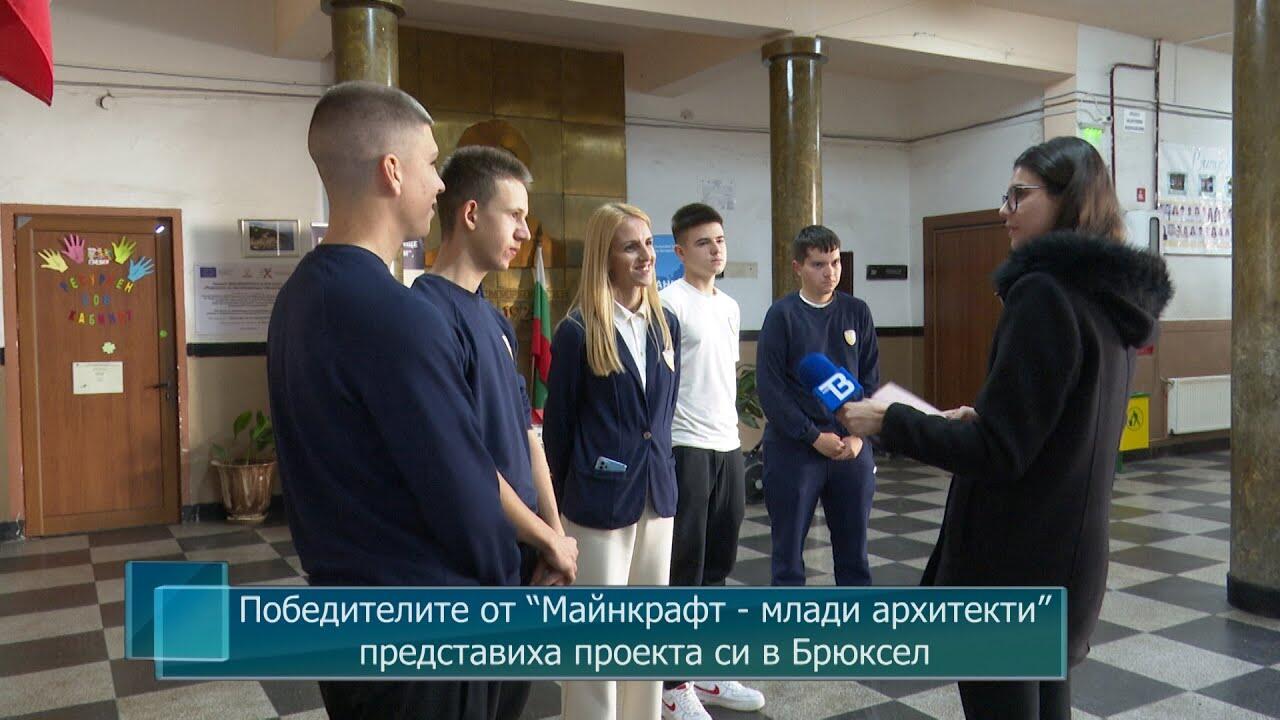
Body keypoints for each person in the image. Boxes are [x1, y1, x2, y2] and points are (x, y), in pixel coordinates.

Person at [837, 136, 1173, 720]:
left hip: (1012, 562)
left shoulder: (1043, 292)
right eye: (1006, 195)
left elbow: (997, 453)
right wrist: (985, 418)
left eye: (1020, 195)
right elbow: (1060, 425)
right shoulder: (1110, 298)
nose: (1004, 210)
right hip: (1070, 555)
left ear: (1069, 200)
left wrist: (890, 419)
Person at [267, 81, 523, 720]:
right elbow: (463, 490)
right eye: (431, 163)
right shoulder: (397, 314)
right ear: (392, 170)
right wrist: (511, 583)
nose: (439, 183)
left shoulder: (298, 298)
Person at [411, 144, 578, 590]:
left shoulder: (494, 319)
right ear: (471, 214)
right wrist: (547, 538)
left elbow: (528, 435)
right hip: (471, 560)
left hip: (524, 549)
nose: (525, 232)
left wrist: (554, 536)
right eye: (514, 215)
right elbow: (464, 462)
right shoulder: (425, 316)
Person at [542, 202, 680, 720]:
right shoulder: (578, 332)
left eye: (648, 243)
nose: (645, 255)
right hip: (597, 505)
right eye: (630, 247)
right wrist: (555, 522)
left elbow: (661, 417)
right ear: (606, 258)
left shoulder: (666, 326)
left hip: (656, 498)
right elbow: (558, 433)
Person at [657, 203, 764, 720]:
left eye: (719, 240)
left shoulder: (730, 306)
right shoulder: (667, 303)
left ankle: (707, 668)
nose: (715, 249)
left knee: (719, 566)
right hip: (685, 447)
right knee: (686, 568)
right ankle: (672, 684)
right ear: (680, 251)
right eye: (703, 242)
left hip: (727, 445)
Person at [756, 225, 880, 587]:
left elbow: (871, 380)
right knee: (788, 560)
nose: (830, 272)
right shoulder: (781, 315)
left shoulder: (857, 312)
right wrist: (812, 436)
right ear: (798, 267)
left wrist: (859, 437)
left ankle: (855, 620)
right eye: (819, 264)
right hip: (795, 450)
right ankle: (791, 620)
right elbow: (772, 390)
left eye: (836, 262)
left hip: (851, 449)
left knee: (855, 557)